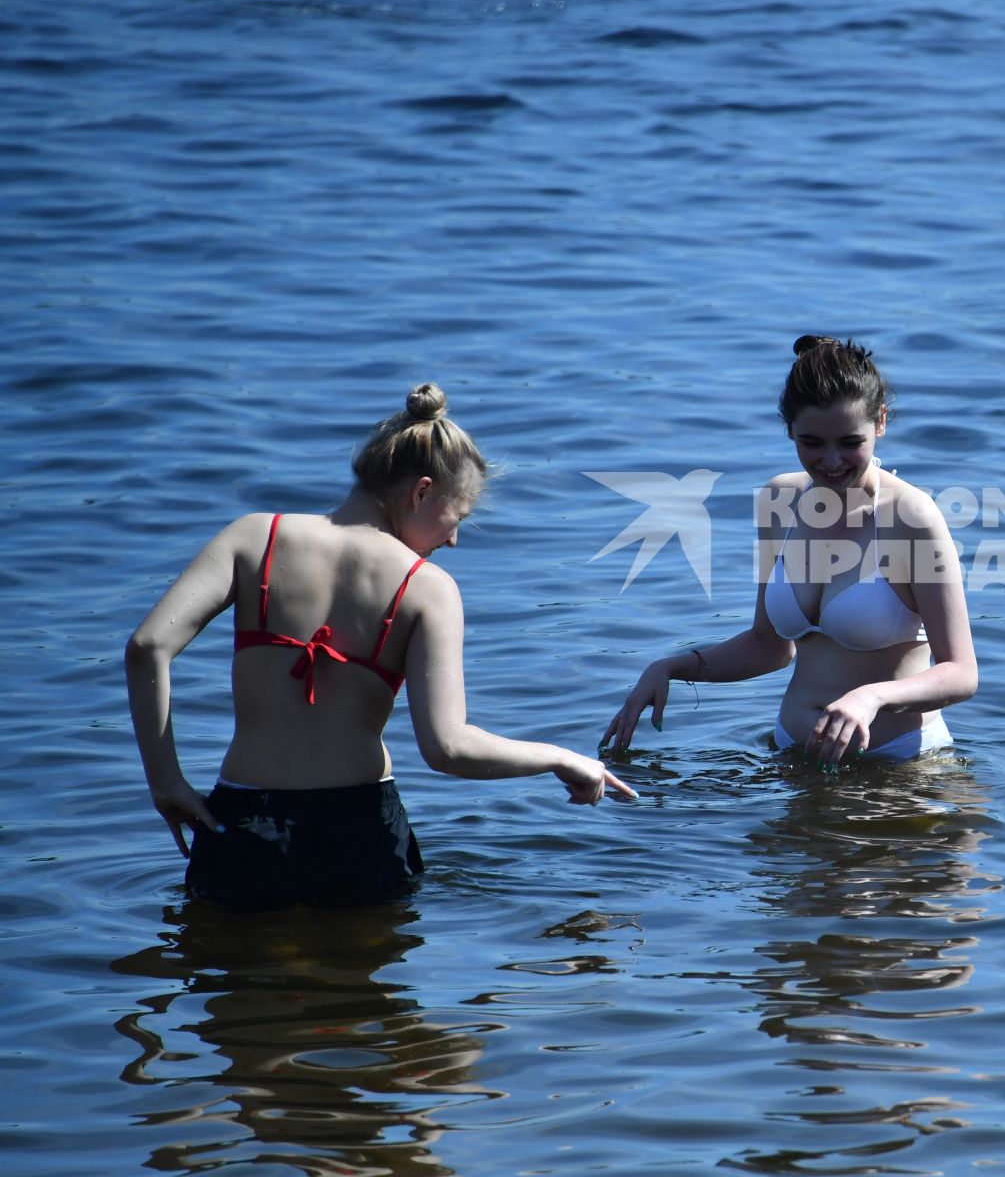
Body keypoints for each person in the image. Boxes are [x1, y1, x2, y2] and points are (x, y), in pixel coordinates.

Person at [127, 383, 634, 911]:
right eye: (457, 516)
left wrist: (167, 783)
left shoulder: (254, 536)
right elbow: (448, 748)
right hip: (358, 832)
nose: (454, 540)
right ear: (420, 492)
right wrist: (559, 758)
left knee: (241, 980)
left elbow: (147, 646)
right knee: (358, 983)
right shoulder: (426, 587)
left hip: (245, 825)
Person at [604, 336, 977, 768]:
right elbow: (768, 646)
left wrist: (870, 698)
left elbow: (961, 673)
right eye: (812, 442)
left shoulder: (912, 517)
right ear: (789, 431)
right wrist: (670, 667)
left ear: (881, 422)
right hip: (791, 758)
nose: (831, 460)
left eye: (850, 442)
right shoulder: (779, 500)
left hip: (900, 764)